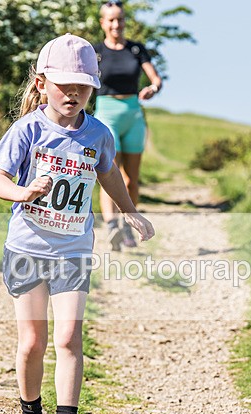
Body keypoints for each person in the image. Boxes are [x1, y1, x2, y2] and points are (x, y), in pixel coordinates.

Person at [0, 33, 154, 414]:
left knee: (68, 337)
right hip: (27, 247)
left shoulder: (97, 133)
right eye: (65, 84)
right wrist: (23, 192)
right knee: (32, 342)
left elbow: (110, 174)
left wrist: (130, 210)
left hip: (73, 250)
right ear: (42, 83)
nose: (75, 93)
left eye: (84, 85)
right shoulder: (28, 129)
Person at [94, 0, 163, 251]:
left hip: (133, 114)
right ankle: (112, 225)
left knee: (131, 179)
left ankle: (128, 226)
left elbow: (155, 78)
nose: (116, 24)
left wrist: (152, 88)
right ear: (103, 22)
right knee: (108, 170)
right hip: (107, 114)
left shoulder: (136, 49)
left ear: (125, 21)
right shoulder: (96, 52)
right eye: (111, 19)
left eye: (120, 19)